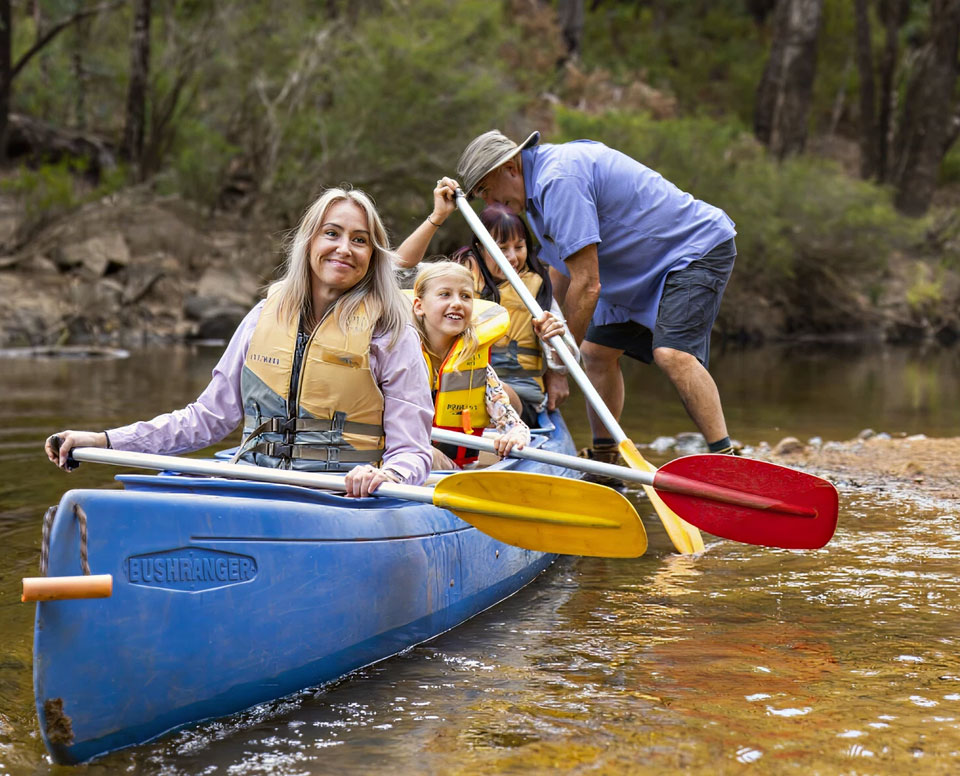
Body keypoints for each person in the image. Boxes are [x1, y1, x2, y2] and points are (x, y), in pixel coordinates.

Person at [45, 187, 434, 497]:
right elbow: (207, 420)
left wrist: (388, 476)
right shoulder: (262, 317)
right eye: (331, 233)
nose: (344, 248)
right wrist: (105, 440)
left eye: (360, 240)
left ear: (373, 255)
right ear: (309, 243)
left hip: (337, 499)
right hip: (255, 486)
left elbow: (412, 452)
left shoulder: (390, 333)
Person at [456, 130, 738, 468]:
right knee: (596, 353)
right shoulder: (533, 196)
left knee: (672, 354)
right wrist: (552, 352)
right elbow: (560, 271)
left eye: (487, 190)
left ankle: (727, 459)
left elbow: (588, 284)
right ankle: (606, 461)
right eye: (480, 196)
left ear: (511, 169)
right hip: (632, 270)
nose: (489, 204)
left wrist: (560, 365)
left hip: (690, 251)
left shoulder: (557, 179)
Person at [396, 179, 576, 427]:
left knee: (487, 390)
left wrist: (553, 340)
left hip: (517, 396)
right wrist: (438, 216)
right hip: (452, 388)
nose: (512, 258)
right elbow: (398, 269)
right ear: (480, 249)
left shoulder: (537, 289)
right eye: (502, 248)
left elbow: (569, 356)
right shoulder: (454, 278)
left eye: (519, 247)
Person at [410, 261, 564, 470]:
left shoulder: (478, 369)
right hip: (403, 459)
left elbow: (513, 424)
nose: (457, 303)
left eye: (465, 296)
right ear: (419, 306)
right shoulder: (399, 359)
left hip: (448, 469)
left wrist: (515, 436)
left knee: (424, 453)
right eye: (445, 294)